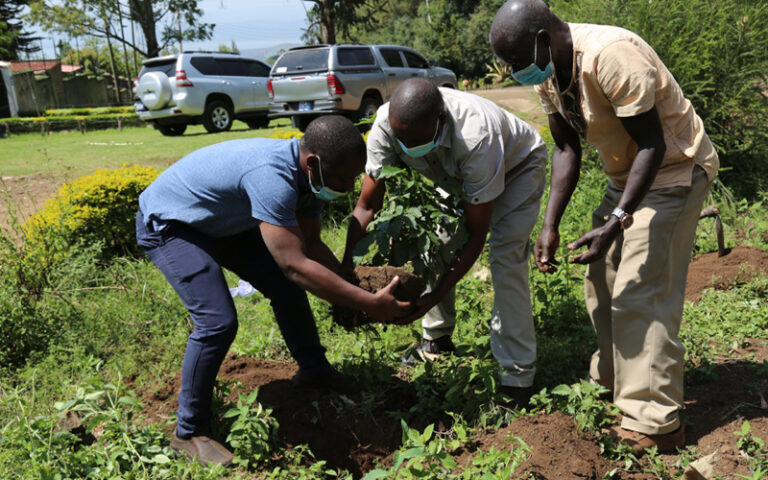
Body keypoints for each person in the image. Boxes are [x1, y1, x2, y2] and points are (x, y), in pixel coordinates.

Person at [490, 0, 719, 453]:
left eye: (517, 62)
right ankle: (617, 380)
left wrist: (617, 220)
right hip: (628, 177)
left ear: (542, 40)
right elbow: (565, 149)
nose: (515, 72)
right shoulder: (551, 67)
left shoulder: (612, 55)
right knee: (602, 278)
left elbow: (652, 143)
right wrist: (549, 225)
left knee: (642, 289)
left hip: (673, 171)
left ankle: (655, 423)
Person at [135, 115, 412, 466]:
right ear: (314, 163)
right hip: (171, 223)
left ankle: (314, 370)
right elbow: (293, 264)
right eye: (342, 178)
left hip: (221, 221)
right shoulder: (272, 177)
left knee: (284, 288)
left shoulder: (310, 178)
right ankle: (188, 432)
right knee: (217, 321)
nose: (346, 187)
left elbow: (310, 244)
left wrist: (352, 289)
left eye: (353, 178)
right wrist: (369, 303)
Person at [343, 78, 548, 404]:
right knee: (433, 245)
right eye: (402, 140)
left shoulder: (475, 134)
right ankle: (436, 339)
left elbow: (477, 232)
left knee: (506, 259)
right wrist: (346, 276)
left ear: (441, 122)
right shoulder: (387, 124)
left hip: (517, 167)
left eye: (416, 140)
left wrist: (434, 292)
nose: (408, 146)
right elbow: (368, 205)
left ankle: (517, 378)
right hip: (455, 176)